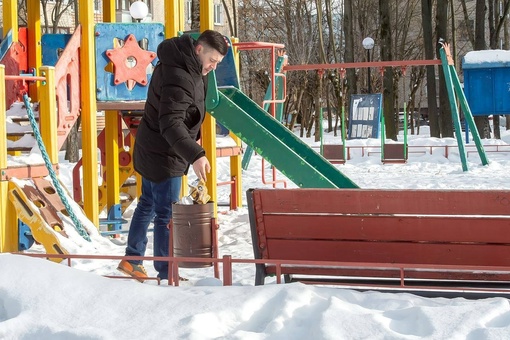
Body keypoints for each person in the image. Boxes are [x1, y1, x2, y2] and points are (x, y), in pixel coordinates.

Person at [117, 30, 228, 282]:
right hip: (164, 152)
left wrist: (194, 136)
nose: (213, 66)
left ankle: (132, 259)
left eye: (217, 63)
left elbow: (191, 108)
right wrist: (195, 154)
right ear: (199, 49)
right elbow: (170, 123)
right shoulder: (179, 74)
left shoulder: (192, 67)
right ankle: (167, 271)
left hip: (156, 145)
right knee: (167, 214)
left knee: (147, 203)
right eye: (212, 60)